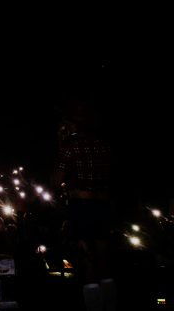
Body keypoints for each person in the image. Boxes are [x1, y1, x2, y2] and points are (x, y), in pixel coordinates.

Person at [52, 98, 116, 311]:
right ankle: (110, 303)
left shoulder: (71, 146)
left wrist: (61, 144)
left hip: (82, 204)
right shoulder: (103, 145)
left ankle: (94, 306)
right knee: (103, 254)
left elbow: (55, 179)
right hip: (103, 204)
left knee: (85, 254)